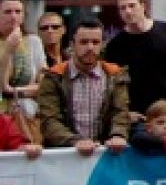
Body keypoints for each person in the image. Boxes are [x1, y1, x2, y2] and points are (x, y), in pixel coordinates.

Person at [37, 19, 130, 155]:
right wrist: (75, 141)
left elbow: (120, 112)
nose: (90, 47)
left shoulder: (114, 75)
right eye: (84, 42)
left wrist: (118, 135)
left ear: (103, 45)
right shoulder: (54, 76)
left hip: (103, 156)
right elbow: (49, 120)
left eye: (95, 42)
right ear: (72, 45)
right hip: (64, 155)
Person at [103, 0, 166, 118]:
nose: (128, 11)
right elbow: (110, 85)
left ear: (143, 5)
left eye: (132, 6)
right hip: (137, 116)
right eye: (123, 8)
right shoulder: (115, 45)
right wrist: (125, 113)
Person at [0, 0, 45, 136]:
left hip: (28, 116)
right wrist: (8, 50)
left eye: (18, 11)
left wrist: (14, 91)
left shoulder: (33, 42)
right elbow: (2, 86)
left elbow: (44, 84)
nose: (13, 17)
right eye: (7, 12)